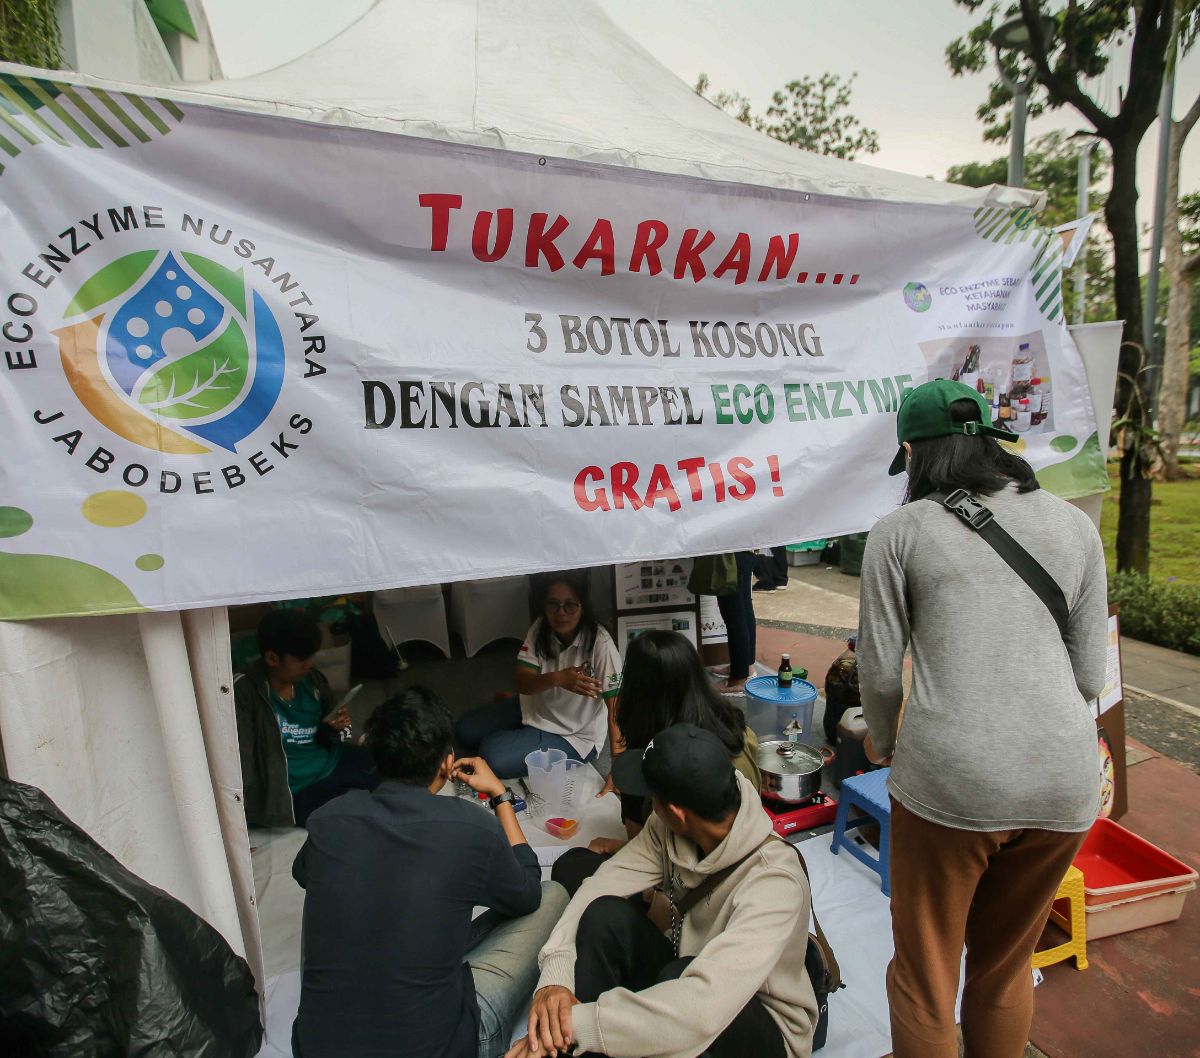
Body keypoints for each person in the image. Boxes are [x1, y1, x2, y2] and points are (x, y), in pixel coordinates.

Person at [857, 378, 1108, 1058]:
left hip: (952, 782)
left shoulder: (898, 532)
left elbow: (878, 672)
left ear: (914, 453)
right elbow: (1089, 677)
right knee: (1002, 970)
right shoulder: (1074, 526)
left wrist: (881, 743)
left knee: (924, 979)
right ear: (990, 442)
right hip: (1064, 782)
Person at [291, 687, 569, 1058]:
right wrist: (501, 796)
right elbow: (527, 893)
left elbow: (303, 873)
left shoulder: (330, 818)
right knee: (551, 896)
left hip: (316, 1048)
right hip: (443, 1046)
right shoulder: (470, 826)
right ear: (446, 762)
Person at [508, 725, 815, 1058]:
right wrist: (556, 977)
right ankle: (563, 1046)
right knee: (604, 913)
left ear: (678, 813)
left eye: (653, 797)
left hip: (756, 1027)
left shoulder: (774, 883)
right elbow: (601, 885)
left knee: (677, 977)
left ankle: (567, 1039)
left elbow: (701, 1009)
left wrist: (576, 1025)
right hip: (689, 973)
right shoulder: (670, 826)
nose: (650, 805)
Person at [551, 630, 761, 896]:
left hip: (699, 882)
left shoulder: (674, 765)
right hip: (710, 861)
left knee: (571, 867)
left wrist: (620, 850)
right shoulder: (735, 727)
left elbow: (682, 867)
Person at [456, 571, 622, 779]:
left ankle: (518, 736)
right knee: (465, 730)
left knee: (492, 755)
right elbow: (522, 682)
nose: (561, 613)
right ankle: (520, 733)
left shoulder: (600, 642)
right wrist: (559, 679)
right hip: (534, 705)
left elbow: (616, 708)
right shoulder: (540, 628)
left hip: (572, 735)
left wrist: (617, 767)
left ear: (583, 607)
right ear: (544, 606)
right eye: (553, 604)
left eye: (570, 605)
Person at [234, 608, 377, 828]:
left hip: (330, 759)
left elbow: (331, 735)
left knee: (390, 771)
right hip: (295, 788)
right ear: (272, 658)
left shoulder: (312, 681)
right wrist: (239, 820)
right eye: (301, 659)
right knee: (356, 816)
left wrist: (332, 728)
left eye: (310, 656)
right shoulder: (245, 692)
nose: (309, 664)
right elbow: (240, 761)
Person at [714, 551, 757, 693]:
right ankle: (745, 666)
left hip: (729, 555)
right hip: (744, 551)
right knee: (744, 607)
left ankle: (737, 679)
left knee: (734, 614)